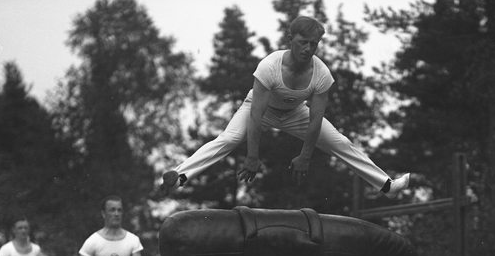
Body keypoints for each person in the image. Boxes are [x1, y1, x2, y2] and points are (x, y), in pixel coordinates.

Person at [159, 16, 412, 198]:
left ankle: (387, 186)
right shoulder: (269, 66)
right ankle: (180, 177)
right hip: (262, 109)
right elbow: (256, 116)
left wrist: (305, 156)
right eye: (303, 42)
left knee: (341, 143)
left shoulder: (321, 73)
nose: (308, 49)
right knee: (229, 138)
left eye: (314, 44)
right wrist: (253, 156)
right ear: (291, 40)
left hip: (296, 113)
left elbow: (315, 121)